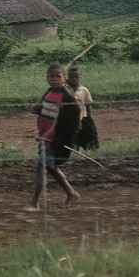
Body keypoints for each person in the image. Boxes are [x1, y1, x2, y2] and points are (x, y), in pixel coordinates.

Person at [27, 63, 81, 210]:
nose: (54, 79)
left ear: (64, 78)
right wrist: (36, 109)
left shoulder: (67, 96)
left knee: (41, 166)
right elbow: (43, 108)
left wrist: (55, 135)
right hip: (44, 136)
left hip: (53, 139)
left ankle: (34, 203)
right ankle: (71, 193)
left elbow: (74, 114)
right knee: (51, 167)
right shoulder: (49, 92)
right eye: (51, 76)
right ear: (47, 78)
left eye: (58, 76)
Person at [68, 66, 99, 150]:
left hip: (83, 118)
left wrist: (88, 118)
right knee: (73, 139)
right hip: (71, 119)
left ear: (80, 77)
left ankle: (90, 149)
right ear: (67, 78)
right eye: (71, 77)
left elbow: (88, 105)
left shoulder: (84, 90)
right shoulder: (66, 90)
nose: (74, 79)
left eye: (76, 77)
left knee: (89, 136)